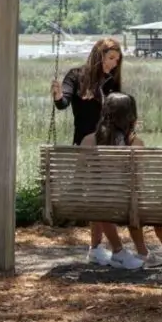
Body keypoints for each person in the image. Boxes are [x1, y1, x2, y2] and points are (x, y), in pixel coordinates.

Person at [80, 92, 162, 269]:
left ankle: (111, 250)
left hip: (96, 204)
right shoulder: (135, 144)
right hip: (124, 204)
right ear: (130, 116)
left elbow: (80, 177)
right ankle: (149, 252)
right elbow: (138, 182)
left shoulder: (88, 140)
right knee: (134, 200)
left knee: (99, 198)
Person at [51, 38, 123, 266]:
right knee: (98, 198)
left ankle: (95, 248)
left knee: (99, 198)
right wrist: (57, 96)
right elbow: (63, 104)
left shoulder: (112, 81)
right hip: (85, 144)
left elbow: (117, 111)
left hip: (107, 145)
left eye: (117, 60)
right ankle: (108, 249)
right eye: (111, 58)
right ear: (98, 55)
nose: (114, 64)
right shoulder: (76, 76)